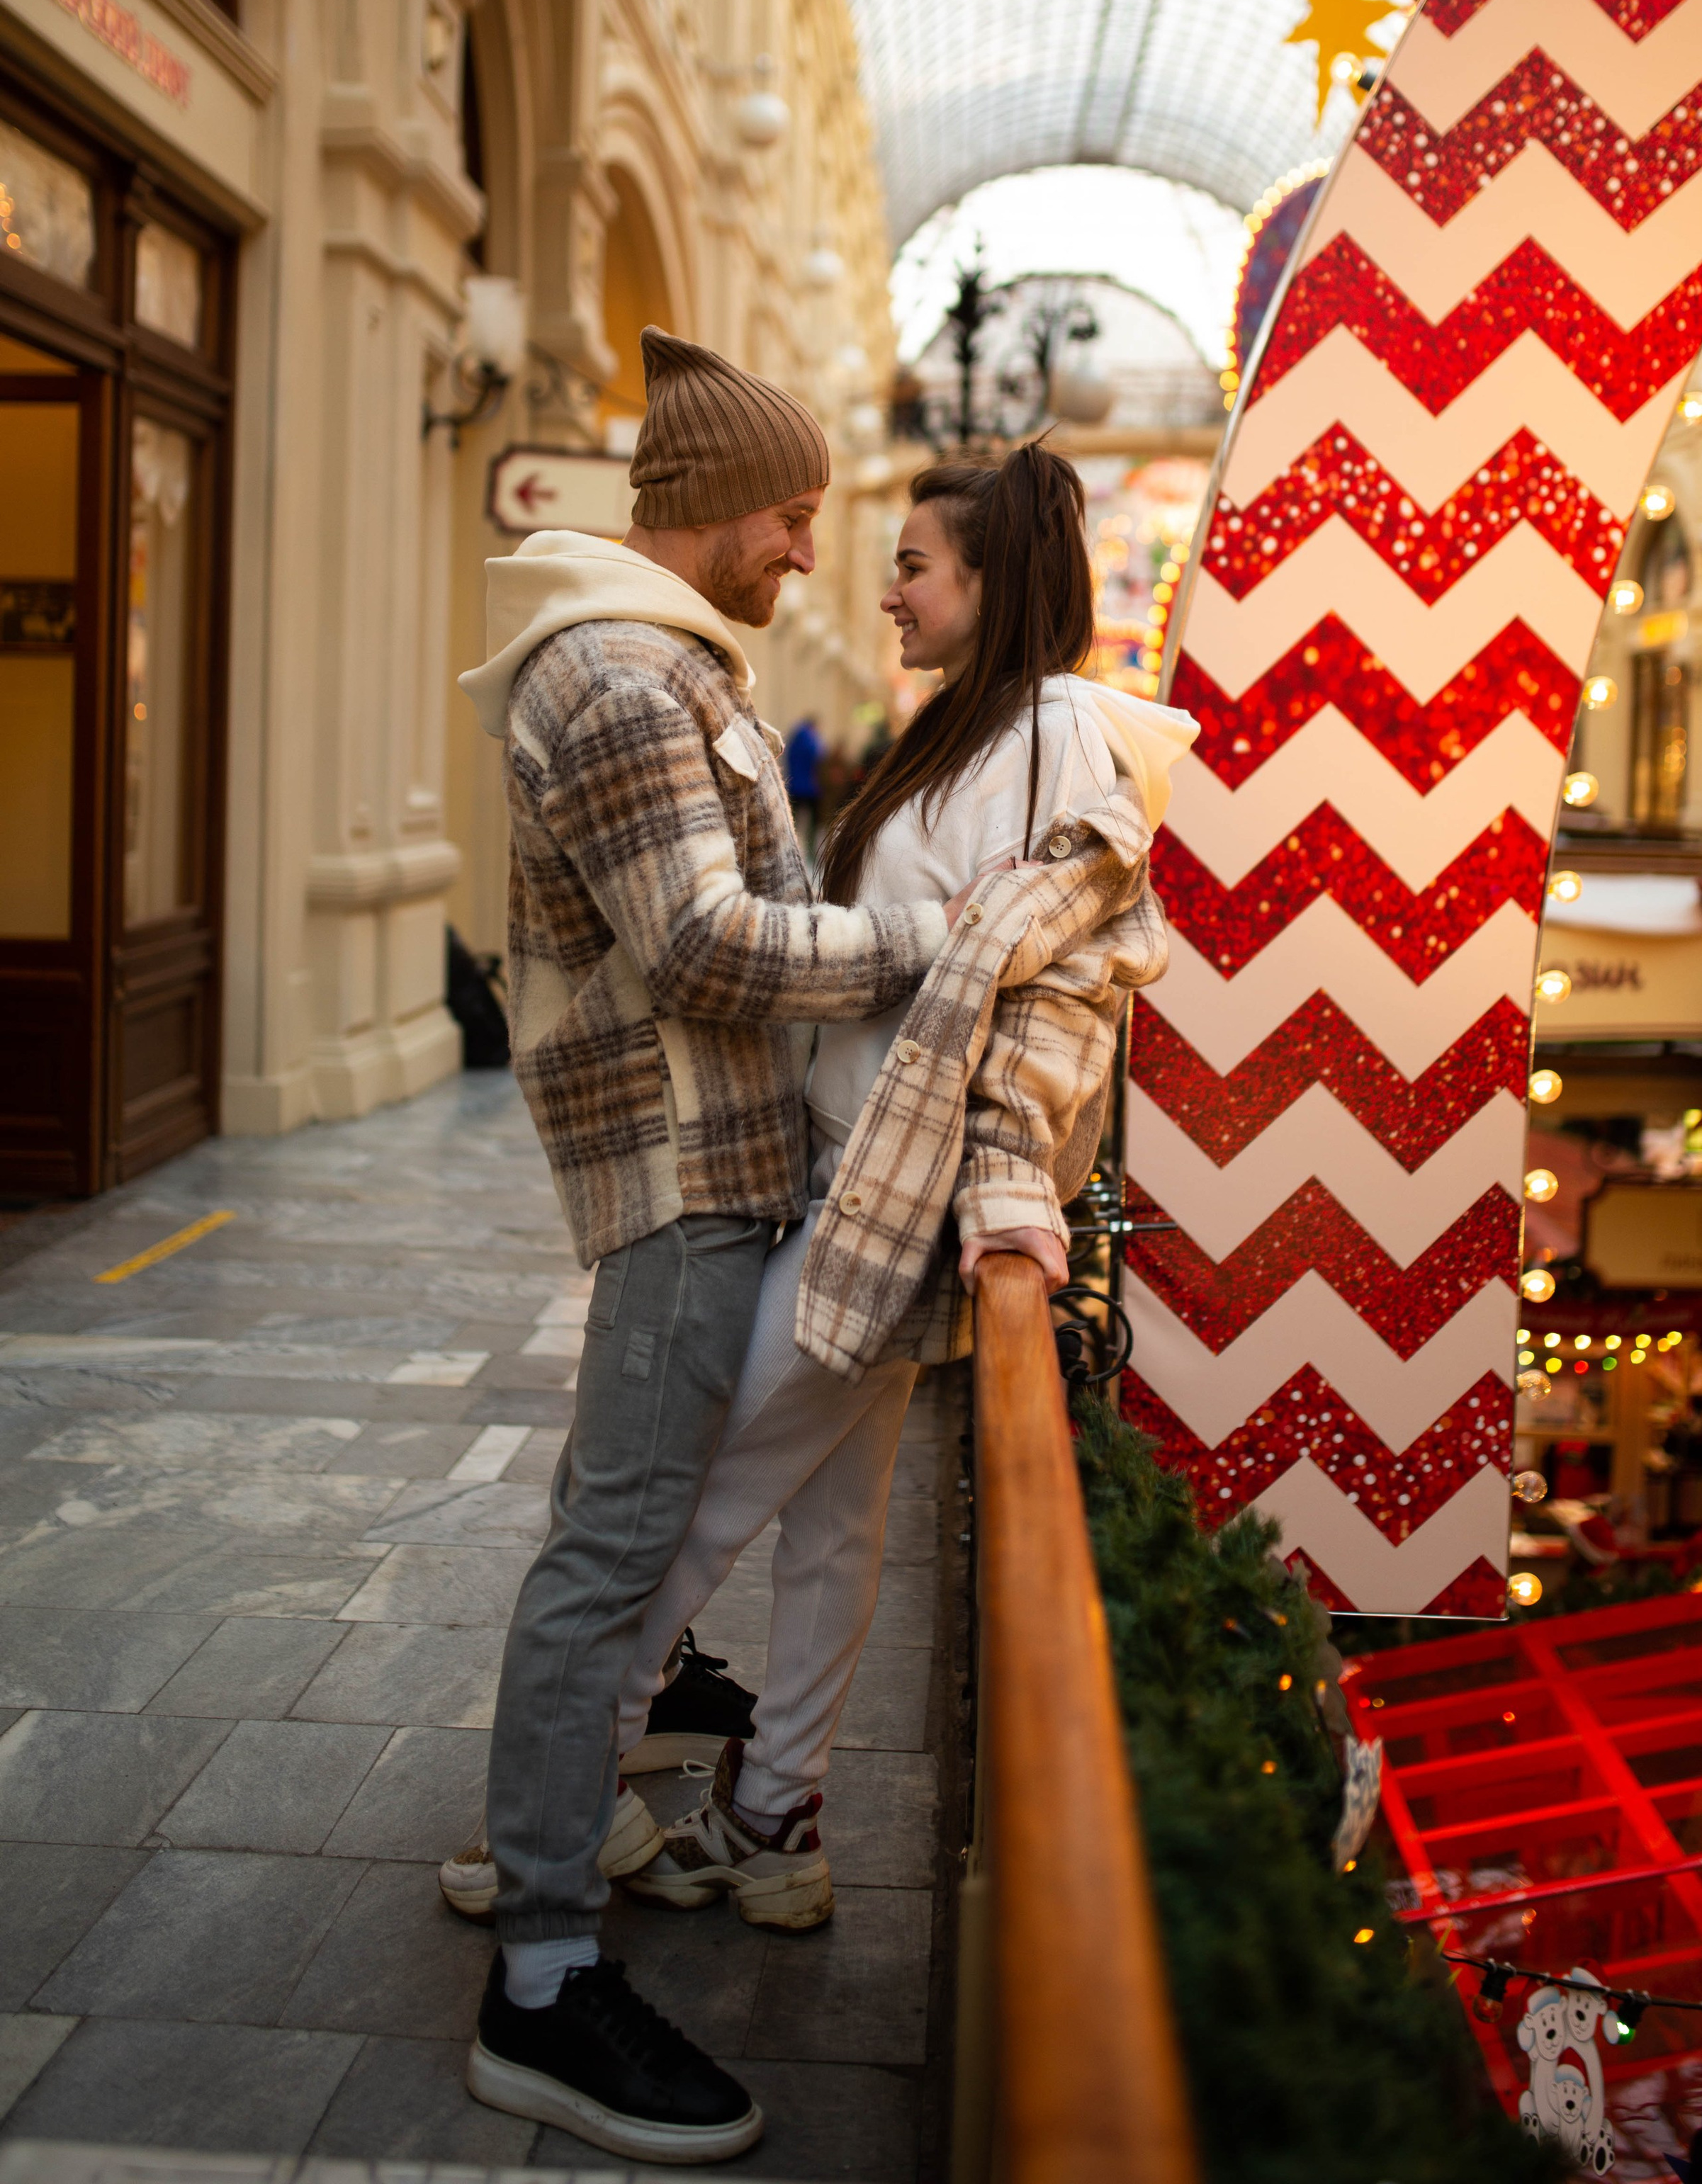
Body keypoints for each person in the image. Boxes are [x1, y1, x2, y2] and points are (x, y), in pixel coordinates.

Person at [452, 329, 1002, 2164]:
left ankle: (558, 1870)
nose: (804, 549)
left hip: (723, 1155)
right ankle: (540, 1978)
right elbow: (697, 940)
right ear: (712, 506)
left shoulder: (666, 660)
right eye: (791, 512)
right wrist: (934, 952)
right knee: (613, 1554)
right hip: (683, 1166)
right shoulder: (618, 675)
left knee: (631, 1541)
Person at [612, 441, 1197, 1929]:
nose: (884, 591)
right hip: (869, 1183)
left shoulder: (1055, 735)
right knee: (831, 1525)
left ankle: (576, 1783)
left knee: (701, 1488)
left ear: (992, 583)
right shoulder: (977, 726)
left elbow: (1046, 995)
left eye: (915, 566)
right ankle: (777, 1818)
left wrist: (1004, 1186)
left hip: (894, 1200)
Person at [784, 711, 823, 856]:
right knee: (813, 823)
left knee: (792, 821)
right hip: (810, 788)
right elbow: (819, 756)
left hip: (793, 786)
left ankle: (789, 849)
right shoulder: (811, 739)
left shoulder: (794, 739)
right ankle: (812, 851)